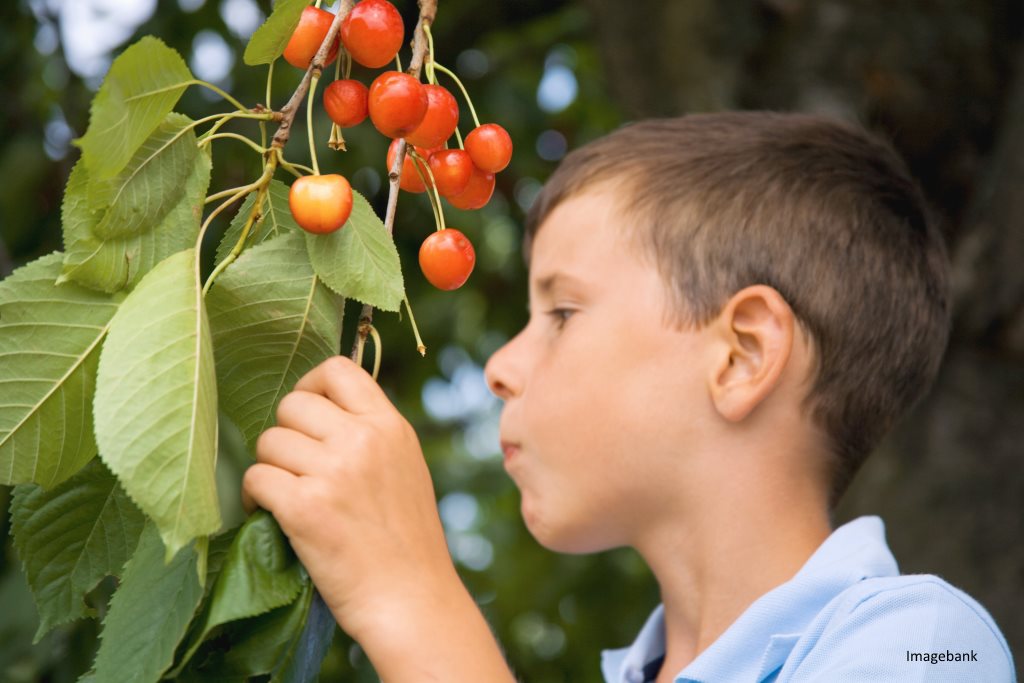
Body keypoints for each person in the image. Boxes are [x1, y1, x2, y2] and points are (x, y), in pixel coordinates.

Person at [241, 112, 1016, 682]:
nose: (501, 366)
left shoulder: (927, 645)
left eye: (562, 313)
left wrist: (411, 599)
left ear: (742, 354)